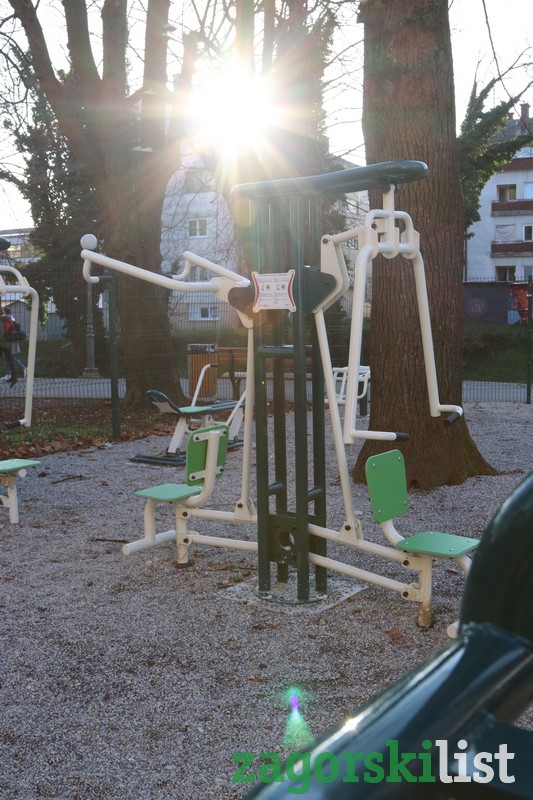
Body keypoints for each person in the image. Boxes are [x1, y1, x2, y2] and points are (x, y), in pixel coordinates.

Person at [1, 306, 26, 381]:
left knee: (11, 358)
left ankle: (24, 368)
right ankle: (8, 374)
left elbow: (6, 331)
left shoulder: (7, 319)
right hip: (11, 340)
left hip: (10, 341)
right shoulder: (11, 319)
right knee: (7, 358)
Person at [0, 309, 17, 387]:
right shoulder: (8, 319)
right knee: (10, 359)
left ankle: (13, 376)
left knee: (9, 359)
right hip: (8, 342)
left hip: (2, 343)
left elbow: (1, 332)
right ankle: (14, 377)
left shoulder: (1, 320)